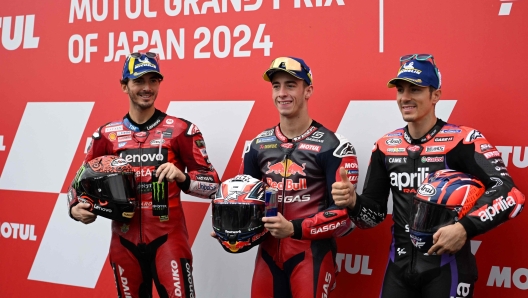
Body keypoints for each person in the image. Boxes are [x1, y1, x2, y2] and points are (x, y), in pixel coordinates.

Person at [331, 54, 525, 298]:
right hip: (399, 269)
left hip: (447, 268)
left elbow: (510, 194)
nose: (405, 97)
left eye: (415, 89)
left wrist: (464, 229)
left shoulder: (462, 141)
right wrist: (353, 202)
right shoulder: (385, 146)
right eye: (400, 90)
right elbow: (373, 217)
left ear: (436, 96)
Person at [68, 52, 220, 298]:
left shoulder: (182, 130)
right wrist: (76, 208)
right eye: (139, 81)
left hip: (169, 240)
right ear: (124, 86)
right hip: (123, 242)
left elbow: (214, 186)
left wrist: (183, 178)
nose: (147, 88)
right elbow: (78, 186)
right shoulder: (106, 134)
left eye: (153, 80)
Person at [240, 56, 359, 298]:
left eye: (291, 85)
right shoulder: (256, 145)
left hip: (311, 256)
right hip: (267, 256)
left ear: (308, 91)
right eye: (276, 86)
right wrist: (233, 228)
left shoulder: (334, 146)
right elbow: (247, 204)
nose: (282, 93)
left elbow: (345, 218)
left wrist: (294, 229)